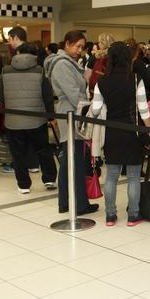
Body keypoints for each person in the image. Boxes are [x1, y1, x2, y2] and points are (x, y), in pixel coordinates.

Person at [91, 42, 150, 226]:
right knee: (134, 176)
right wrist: (149, 133)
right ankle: (133, 215)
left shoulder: (101, 82)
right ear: (128, 58)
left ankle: (110, 216)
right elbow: (144, 110)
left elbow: (95, 110)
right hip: (132, 133)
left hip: (112, 133)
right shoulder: (136, 80)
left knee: (111, 176)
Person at [44, 31, 98, 215]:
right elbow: (74, 94)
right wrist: (89, 106)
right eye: (77, 46)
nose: (80, 50)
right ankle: (78, 203)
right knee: (73, 160)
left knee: (70, 159)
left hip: (70, 112)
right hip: (71, 113)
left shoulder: (66, 63)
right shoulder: (62, 65)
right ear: (67, 44)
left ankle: (68, 201)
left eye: (82, 47)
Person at [0, 42, 57, 193]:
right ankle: (49, 179)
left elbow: (0, 96)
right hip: (37, 120)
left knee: (18, 153)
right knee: (43, 149)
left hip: (13, 120)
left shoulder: (5, 71)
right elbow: (47, 96)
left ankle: (23, 185)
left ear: (18, 53)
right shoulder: (39, 70)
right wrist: (51, 116)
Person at [85, 33, 115, 98]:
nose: (98, 44)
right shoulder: (115, 56)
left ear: (103, 43)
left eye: (99, 42)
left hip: (96, 90)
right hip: (112, 91)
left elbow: (87, 76)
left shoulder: (95, 57)